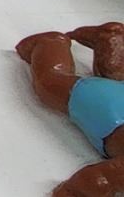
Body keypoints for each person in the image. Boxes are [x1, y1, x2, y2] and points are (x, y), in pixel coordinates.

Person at [17, 23, 124, 197]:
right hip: (109, 108)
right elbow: (97, 179)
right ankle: (50, 43)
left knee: (114, 79)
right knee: (50, 83)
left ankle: (112, 40)